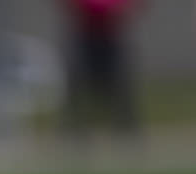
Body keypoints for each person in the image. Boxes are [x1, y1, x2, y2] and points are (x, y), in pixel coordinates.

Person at [60, 0, 140, 137]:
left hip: (112, 33)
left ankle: (126, 129)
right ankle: (74, 130)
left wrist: (119, 9)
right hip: (84, 32)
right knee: (77, 85)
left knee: (121, 84)